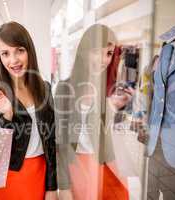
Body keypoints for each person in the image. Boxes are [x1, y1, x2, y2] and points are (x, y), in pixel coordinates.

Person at [0, 21, 57, 200]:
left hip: (38, 173)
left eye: (19, 50)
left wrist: (52, 187)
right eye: (5, 53)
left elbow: (51, 141)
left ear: (29, 50)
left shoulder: (44, 89)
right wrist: (8, 116)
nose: (13, 60)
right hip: (5, 179)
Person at [55, 24, 129, 200]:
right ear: (84, 51)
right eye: (97, 51)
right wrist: (64, 187)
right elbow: (61, 144)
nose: (104, 59)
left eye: (109, 53)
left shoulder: (108, 88)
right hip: (77, 166)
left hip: (105, 165)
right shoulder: (65, 88)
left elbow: (108, 136)